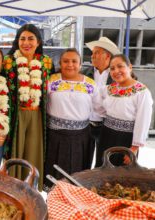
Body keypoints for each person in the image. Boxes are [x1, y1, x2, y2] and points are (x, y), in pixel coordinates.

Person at [3, 24, 54, 190]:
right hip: (16, 116)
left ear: (38, 41)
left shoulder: (46, 62)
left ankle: (31, 189)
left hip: (37, 116)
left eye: (30, 38)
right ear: (17, 41)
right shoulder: (9, 61)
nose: (26, 43)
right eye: (22, 38)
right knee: (15, 153)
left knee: (33, 150)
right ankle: (13, 187)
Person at [44, 48, 101, 187]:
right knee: (54, 175)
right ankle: (53, 204)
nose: (70, 64)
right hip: (54, 135)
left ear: (80, 64)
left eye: (74, 61)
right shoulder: (51, 81)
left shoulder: (90, 84)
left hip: (81, 137)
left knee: (76, 176)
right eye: (66, 61)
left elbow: (98, 109)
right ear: (60, 63)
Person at [96, 54, 153, 167]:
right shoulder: (108, 89)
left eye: (120, 66)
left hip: (127, 140)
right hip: (106, 135)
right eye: (112, 68)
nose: (116, 71)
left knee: (121, 175)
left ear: (130, 67)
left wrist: (134, 148)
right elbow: (98, 108)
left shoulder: (141, 92)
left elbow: (143, 121)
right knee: (101, 170)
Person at [82, 36, 121, 165]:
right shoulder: (83, 74)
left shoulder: (117, 77)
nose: (92, 56)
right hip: (85, 125)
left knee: (103, 162)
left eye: (97, 53)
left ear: (108, 56)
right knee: (83, 160)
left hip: (106, 126)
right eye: (92, 53)